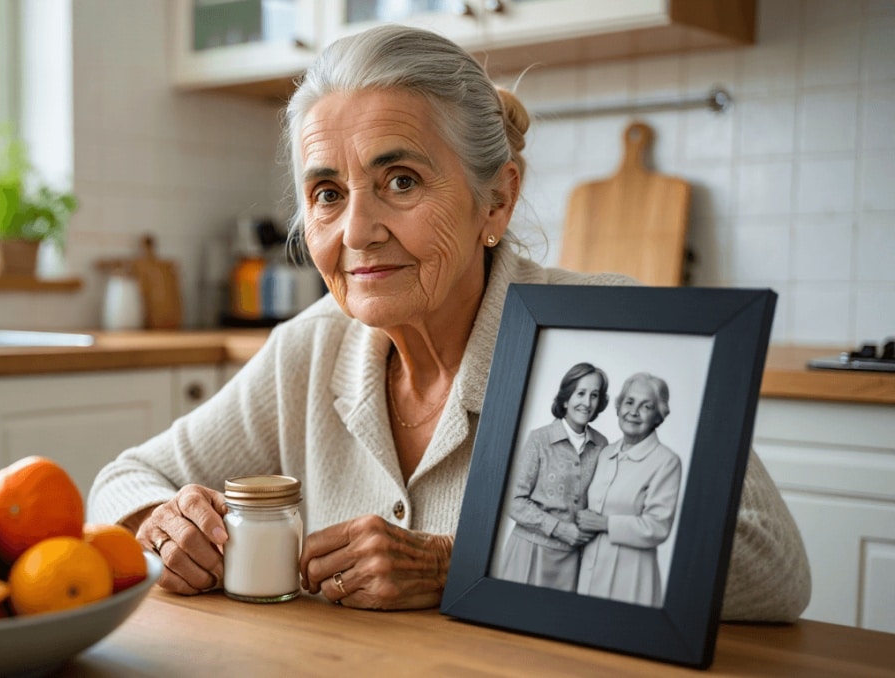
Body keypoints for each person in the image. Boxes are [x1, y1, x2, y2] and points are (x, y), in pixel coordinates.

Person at [87, 24, 811, 620]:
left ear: (496, 201)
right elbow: (124, 477)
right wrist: (161, 520)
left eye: (400, 182)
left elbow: (771, 567)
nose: (359, 230)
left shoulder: (600, 333)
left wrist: (463, 563)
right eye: (329, 193)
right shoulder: (311, 347)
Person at [498, 363, 610, 591]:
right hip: (530, 553)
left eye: (594, 395)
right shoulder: (539, 439)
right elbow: (513, 502)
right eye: (580, 393)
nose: (587, 403)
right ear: (566, 398)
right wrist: (559, 528)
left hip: (573, 559)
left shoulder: (601, 445)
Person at [576, 373, 682, 607]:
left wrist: (605, 523)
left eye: (646, 406)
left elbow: (658, 527)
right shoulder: (604, 453)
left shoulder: (666, 462)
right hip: (589, 570)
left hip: (631, 577)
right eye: (629, 402)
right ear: (619, 406)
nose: (634, 412)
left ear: (658, 415)